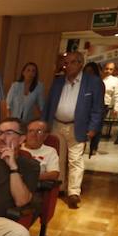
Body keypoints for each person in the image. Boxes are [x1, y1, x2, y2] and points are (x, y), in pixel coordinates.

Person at [43, 51, 104, 209]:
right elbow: (49, 104)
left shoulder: (93, 82)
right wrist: (44, 124)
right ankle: (61, 188)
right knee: (59, 157)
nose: (67, 66)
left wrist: (92, 128)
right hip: (56, 124)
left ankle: (73, 193)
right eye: (65, 63)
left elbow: (98, 108)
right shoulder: (58, 81)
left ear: (80, 63)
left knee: (75, 159)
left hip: (78, 126)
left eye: (71, 63)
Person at [83, 61, 106, 156]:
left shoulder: (98, 83)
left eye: (91, 71)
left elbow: (98, 103)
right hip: (84, 113)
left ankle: (93, 148)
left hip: (94, 112)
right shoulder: (82, 83)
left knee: (94, 132)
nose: (88, 73)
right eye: (86, 71)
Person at [101, 61, 118, 135]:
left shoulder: (115, 80)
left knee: (98, 126)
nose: (108, 71)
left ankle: (93, 145)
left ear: (113, 70)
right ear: (103, 68)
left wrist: (116, 108)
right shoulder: (97, 77)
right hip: (90, 104)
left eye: (111, 69)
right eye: (107, 68)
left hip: (104, 105)